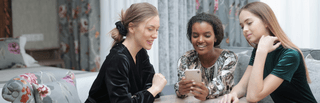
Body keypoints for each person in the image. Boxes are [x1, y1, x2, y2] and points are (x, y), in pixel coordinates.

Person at [219, 2, 317, 103]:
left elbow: (253, 97)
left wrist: (262, 52)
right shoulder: (258, 50)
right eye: (242, 26)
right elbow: (242, 86)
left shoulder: (290, 54)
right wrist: (232, 94)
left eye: (249, 23)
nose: (245, 30)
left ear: (266, 21)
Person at [85, 2, 167, 103]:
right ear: (131, 27)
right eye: (150, 29)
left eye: (157, 30)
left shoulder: (141, 53)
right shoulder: (118, 59)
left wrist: (152, 90)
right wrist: (154, 89)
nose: (155, 35)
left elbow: (150, 86)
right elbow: (151, 90)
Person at [174, 13, 238, 101]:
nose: (200, 40)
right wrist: (181, 90)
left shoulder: (229, 57)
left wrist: (207, 92)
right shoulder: (186, 58)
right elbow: (180, 85)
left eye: (207, 36)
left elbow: (221, 84)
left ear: (215, 37)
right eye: (195, 36)